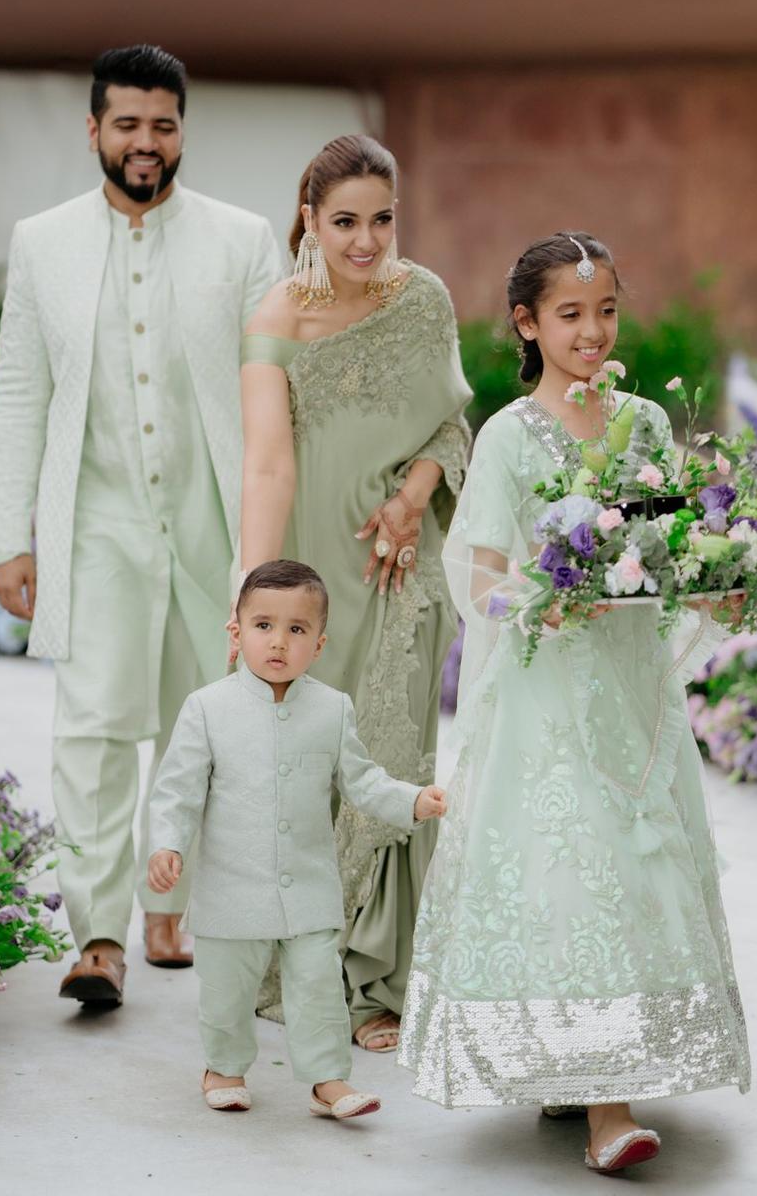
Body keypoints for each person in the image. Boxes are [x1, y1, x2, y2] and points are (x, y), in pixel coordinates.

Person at [397, 231, 751, 1174]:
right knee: (575, 869)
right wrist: (547, 600)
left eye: (605, 312)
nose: (592, 332)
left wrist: (717, 577)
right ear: (527, 323)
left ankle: (582, 1071)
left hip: (630, 689)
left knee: (635, 867)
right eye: (570, 315)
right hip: (550, 689)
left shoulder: (641, 422)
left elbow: (671, 542)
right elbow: (476, 565)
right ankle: (607, 1109)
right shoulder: (510, 434)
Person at [0, 44, 280, 1006]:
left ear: (182, 129)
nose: (144, 143)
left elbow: (279, 395)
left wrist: (271, 546)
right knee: (96, 730)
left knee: (207, 729)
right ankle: (99, 936)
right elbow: (20, 393)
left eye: (162, 124)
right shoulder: (43, 241)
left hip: (212, 522)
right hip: (98, 523)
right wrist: (8, 537)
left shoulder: (243, 240)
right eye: (126, 124)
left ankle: (172, 908)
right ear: (94, 130)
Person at [237, 134, 470, 1051]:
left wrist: (415, 498)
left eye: (382, 218)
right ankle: (306, 961)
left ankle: (380, 977)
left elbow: (453, 423)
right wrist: (258, 604)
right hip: (311, 574)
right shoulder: (277, 319)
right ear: (309, 219)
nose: (367, 240)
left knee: (396, 754)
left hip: (404, 570)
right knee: (309, 760)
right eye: (345, 222)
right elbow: (266, 466)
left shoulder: (425, 301)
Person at [147, 559, 448, 1118]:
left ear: (320, 644)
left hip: (308, 886)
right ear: (236, 633)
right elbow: (177, 791)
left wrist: (411, 800)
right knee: (227, 993)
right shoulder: (208, 709)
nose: (278, 642)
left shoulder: (331, 709)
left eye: (297, 629)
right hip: (229, 890)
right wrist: (169, 845)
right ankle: (224, 1066)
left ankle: (327, 1081)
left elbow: (363, 781)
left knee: (318, 989)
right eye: (263, 625)